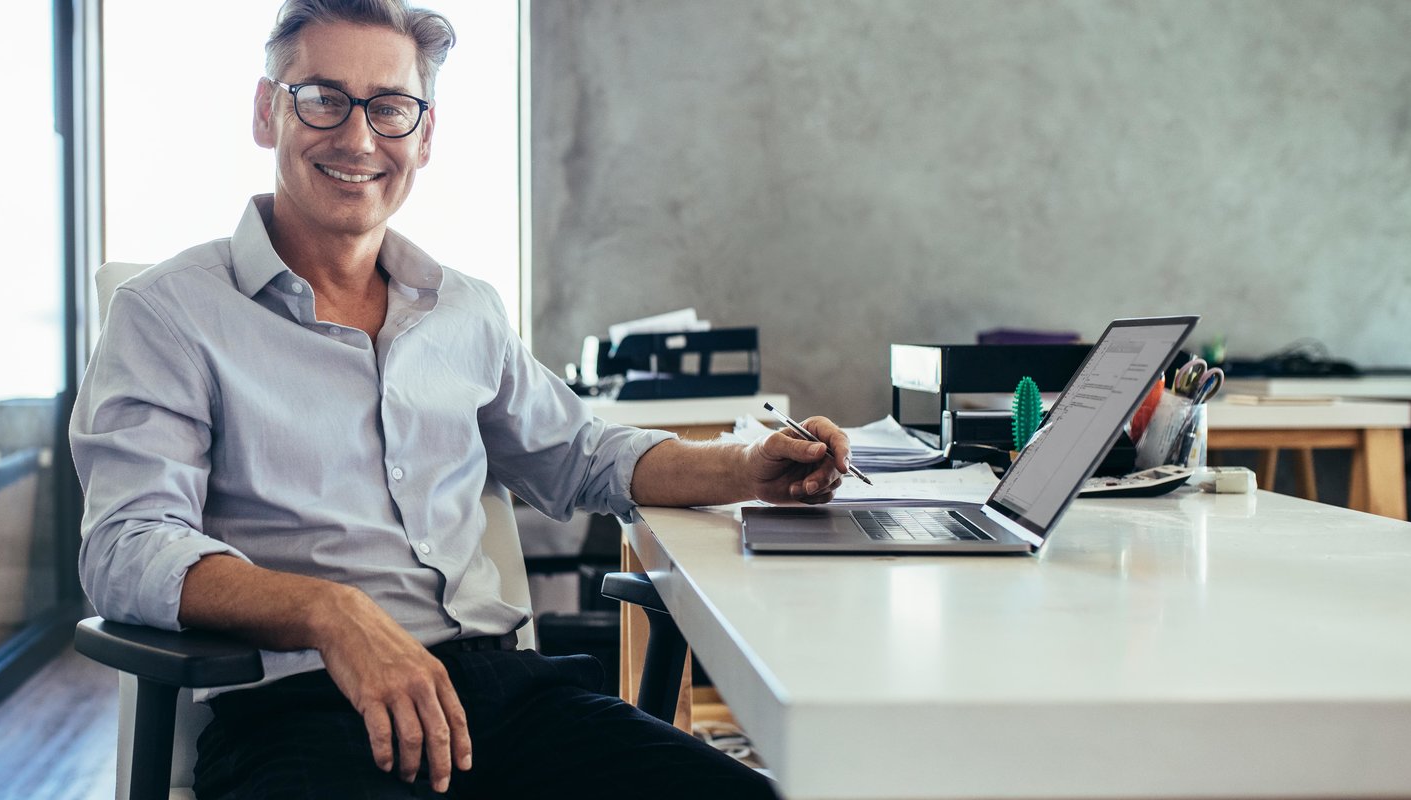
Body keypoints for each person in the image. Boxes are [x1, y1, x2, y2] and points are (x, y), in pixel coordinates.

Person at [70, 1, 852, 796]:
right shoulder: (166, 313)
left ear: (426, 133)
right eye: (322, 97)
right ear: (267, 112)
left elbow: (582, 456)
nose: (358, 137)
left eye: (391, 107)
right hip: (303, 712)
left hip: (506, 699)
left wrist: (749, 467)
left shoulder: (464, 309)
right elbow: (126, 544)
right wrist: (331, 614)